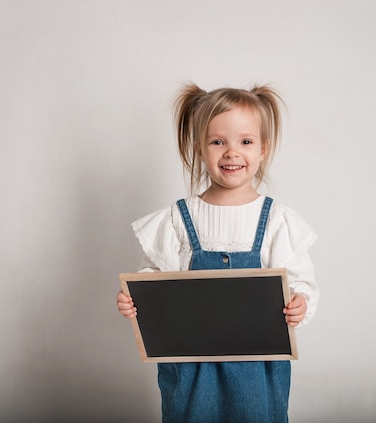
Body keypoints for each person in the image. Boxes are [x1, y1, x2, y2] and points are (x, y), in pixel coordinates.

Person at [117, 83, 319, 423]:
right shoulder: (180, 219)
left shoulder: (277, 222)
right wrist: (136, 296)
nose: (231, 152)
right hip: (192, 366)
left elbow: (302, 282)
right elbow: (154, 276)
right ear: (199, 148)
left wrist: (300, 303)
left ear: (263, 149)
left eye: (245, 141)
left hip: (257, 367)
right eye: (218, 141)